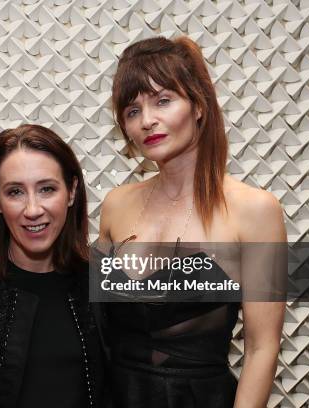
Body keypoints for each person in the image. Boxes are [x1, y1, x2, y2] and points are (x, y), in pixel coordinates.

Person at [99, 36, 286, 407]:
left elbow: (262, 348)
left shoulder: (255, 210)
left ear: (198, 105)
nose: (147, 120)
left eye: (163, 101)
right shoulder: (115, 205)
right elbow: (101, 330)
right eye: (132, 110)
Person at [0, 124, 106, 408]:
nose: (32, 210)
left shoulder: (99, 279)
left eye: (47, 189)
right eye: (15, 192)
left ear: (72, 191)